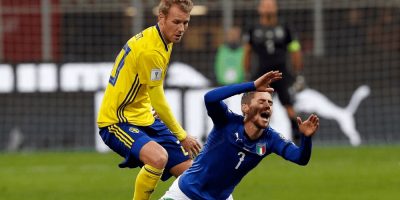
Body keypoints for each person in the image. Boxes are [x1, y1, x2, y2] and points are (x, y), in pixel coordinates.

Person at [96, 1, 201, 199]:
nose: (181, 29)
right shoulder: (151, 51)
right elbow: (158, 98)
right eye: (176, 22)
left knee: (193, 175)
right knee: (158, 158)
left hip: (144, 116)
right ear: (161, 18)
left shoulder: (162, 39)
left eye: (185, 23)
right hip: (117, 121)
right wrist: (182, 135)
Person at [160, 71, 320, 200]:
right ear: (245, 108)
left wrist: (306, 138)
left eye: (270, 103)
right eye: (262, 101)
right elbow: (210, 98)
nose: (268, 106)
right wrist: (252, 85)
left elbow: (300, 158)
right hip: (185, 193)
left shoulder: (271, 140)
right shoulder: (226, 121)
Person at [243, 0, 304, 144]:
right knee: (256, 107)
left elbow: (295, 50)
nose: (268, 7)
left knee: (288, 106)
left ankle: (298, 137)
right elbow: (247, 52)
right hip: (261, 75)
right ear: (259, 9)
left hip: (282, 74)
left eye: (271, 5)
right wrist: (246, 73)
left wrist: (298, 73)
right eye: (265, 5)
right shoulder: (252, 28)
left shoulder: (285, 27)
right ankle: (252, 138)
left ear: (276, 8)